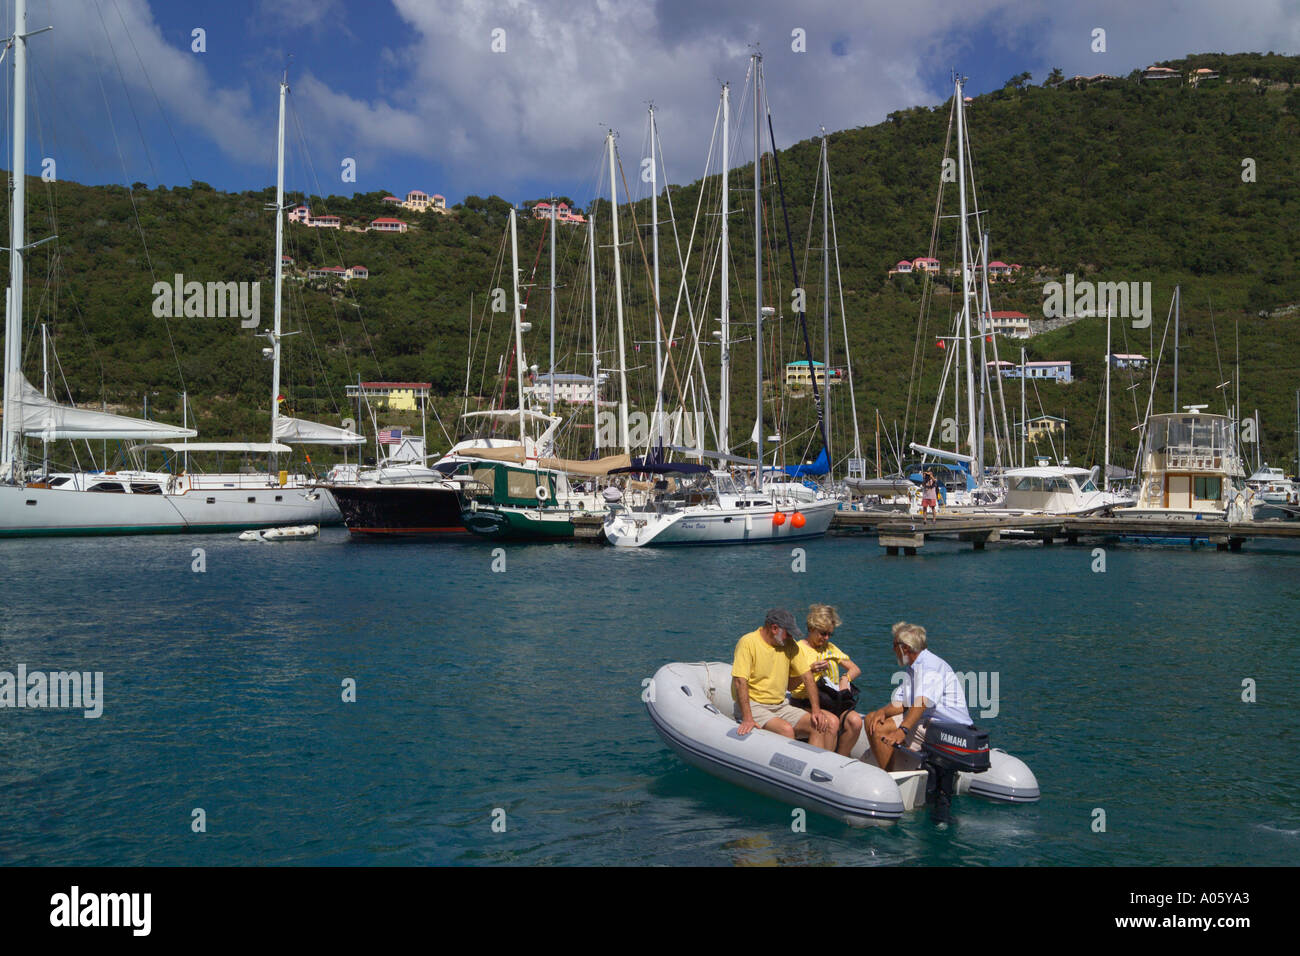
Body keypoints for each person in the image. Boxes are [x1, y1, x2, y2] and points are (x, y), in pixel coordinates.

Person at [863, 622, 972, 771]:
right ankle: (896, 765)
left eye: (895, 645)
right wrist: (882, 712)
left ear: (905, 648)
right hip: (930, 724)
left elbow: (921, 703)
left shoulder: (930, 666)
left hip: (949, 729)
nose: (893, 649)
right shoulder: (913, 666)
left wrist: (902, 731)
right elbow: (903, 701)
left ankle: (890, 780)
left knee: (880, 730)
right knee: (871, 719)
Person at [732, 608, 838, 750]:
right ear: (774, 628)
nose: (790, 638)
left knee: (818, 725)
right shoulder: (748, 643)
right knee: (786, 730)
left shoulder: (790, 645)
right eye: (788, 634)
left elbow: (807, 676)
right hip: (754, 704)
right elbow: (740, 681)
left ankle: (815, 768)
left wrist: (816, 710)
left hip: (780, 705)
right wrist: (748, 718)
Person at [789, 604, 864, 756]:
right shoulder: (798, 649)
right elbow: (789, 686)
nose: (826, 638)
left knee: (856, 721)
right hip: (805, 702)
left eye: (830, 634)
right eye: (823, 634)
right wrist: (810, 670)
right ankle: (825, 762)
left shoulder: (829, 648)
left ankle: (840, 759)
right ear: (811, 629)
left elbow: (855, 669)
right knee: (832, 722)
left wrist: (845, 679)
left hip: (831, 700)